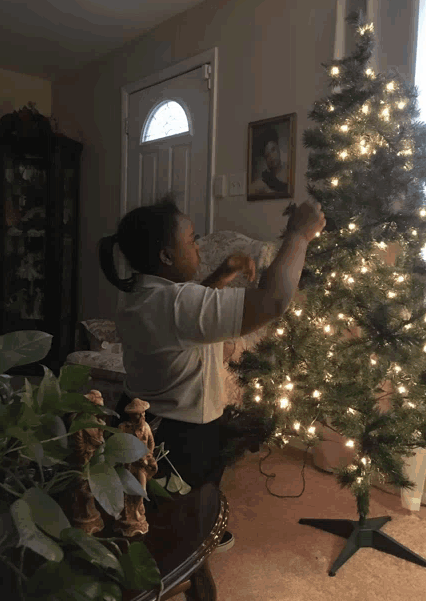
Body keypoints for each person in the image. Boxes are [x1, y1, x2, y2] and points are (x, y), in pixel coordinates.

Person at [98, 193, 325, 552]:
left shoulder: (142, 295)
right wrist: (298, 235)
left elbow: (183, 323)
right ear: (166, 256)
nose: (200, 247)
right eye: (191, 240)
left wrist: (219, 277)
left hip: (144, 417)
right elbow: (273, 300)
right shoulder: (178, 303)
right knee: (182, 511)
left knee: (160, 495)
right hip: (181, 435)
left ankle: (182, 526)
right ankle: (187, 543)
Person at [250, 128, 289, 195]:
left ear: (278, 147)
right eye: (267, 155)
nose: (271, 157)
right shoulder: (263, 180)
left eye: (273, 150)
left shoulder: (289, 171)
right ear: (265, 159)